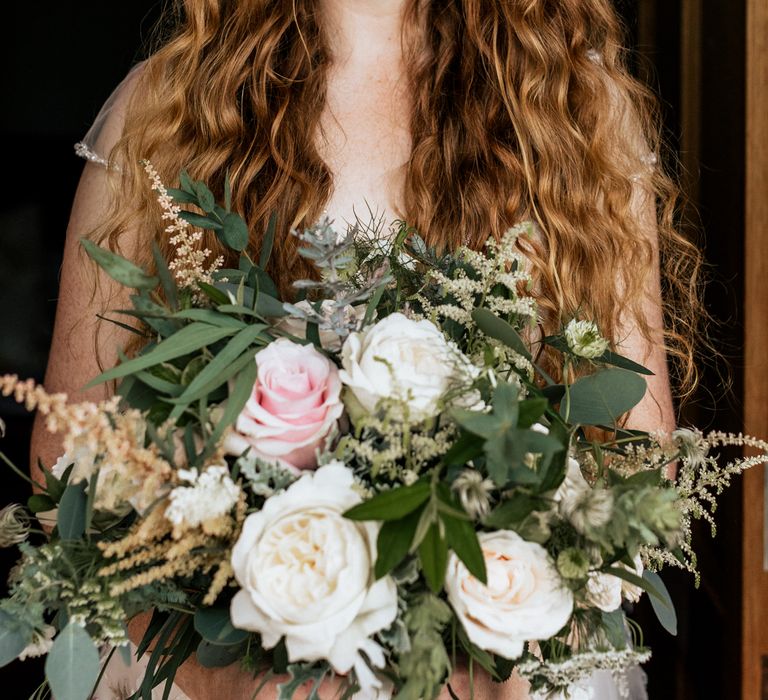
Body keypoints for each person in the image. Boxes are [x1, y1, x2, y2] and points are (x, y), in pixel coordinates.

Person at [31, 0, 704, 697]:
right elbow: (65, 465)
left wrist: (491, 598)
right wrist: (255, 606)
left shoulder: (571, 105)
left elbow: (640, 454)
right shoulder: (169, 106)